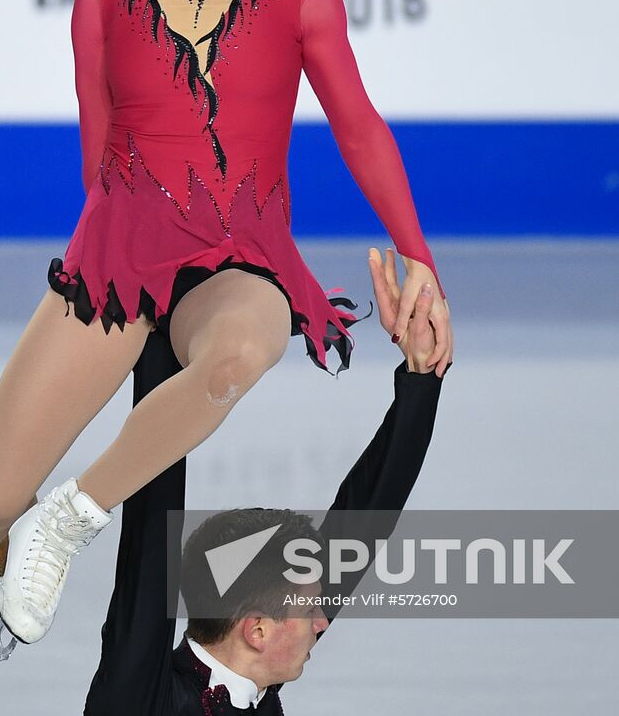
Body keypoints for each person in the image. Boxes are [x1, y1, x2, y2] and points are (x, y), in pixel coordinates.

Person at [0, 0, 452, 698]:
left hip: (240, 259)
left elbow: (360, 127)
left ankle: (70, 520)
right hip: (124, 256)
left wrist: (420, 258)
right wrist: (110, 293)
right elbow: (97, 160)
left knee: (245, 348)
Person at [84, 247, 445, 714]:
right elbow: (149, 524)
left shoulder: (260, 658)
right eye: (310, 610)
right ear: (256, 630)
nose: (322, 622)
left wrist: (421, 375)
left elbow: (364, 519)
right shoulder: (138, 699)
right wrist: (162, 338)